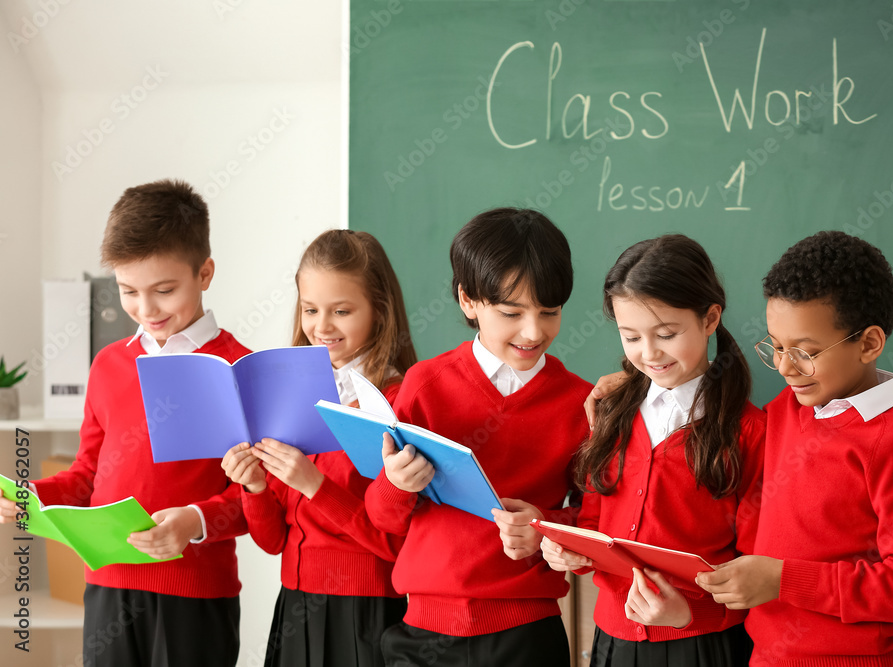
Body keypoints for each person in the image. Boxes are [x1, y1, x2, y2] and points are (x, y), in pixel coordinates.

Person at [0, 179, 250, 666]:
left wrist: (194, 521)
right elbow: (87, 477)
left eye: (164, 290)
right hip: (108, 585)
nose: (146, 309)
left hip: (196, 592)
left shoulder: (239, 369)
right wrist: (30, 499)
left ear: (205, 273)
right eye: (128, 291)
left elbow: (257, 497)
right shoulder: (110, 365)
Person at [696, 230, 893, 666]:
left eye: (804, 351)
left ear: (869, 344)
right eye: (776, 347)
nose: (784, 367)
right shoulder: (788, 410)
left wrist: (784, 581)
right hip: (768, 653)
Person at [364, 208, 592, 667]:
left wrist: (544, 526)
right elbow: (383, 518)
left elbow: (598, 521)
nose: (534, 331)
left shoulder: (581, 404)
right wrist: (396, 483)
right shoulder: (425, 385)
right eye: (512, 312)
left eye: (550, 312)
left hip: (526, 633)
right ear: (469, 302)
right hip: (421, 631)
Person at [542, 234, 764, 667]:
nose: (649, 353)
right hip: (611, 636)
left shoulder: (749, 432)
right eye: (631, 337)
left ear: (710, 318)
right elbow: (593, 522)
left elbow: (757, 571)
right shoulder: (609, 411)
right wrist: (571, 551)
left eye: (666, 334)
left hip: (701, 643)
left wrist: (689, 614)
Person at [222, 229, 417, 667]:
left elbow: (396, 543)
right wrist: (252, 487)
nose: (321, 326)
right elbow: (273, 541)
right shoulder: (289, 394)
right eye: (310, 309)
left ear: (379, 311)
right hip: (294, 603)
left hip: (366, 611)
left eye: (342, 311)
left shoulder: (395, 399)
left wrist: (314, 485)